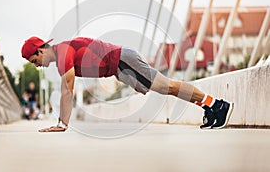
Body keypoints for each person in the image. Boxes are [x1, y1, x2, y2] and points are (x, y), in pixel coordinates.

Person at [21, 37, 234, 132]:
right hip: (120, 66)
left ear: (40, 51)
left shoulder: (63, 52)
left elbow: (67, 90)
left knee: (166, 86)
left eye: (34, 61)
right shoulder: (61, 54)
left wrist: (61, 125)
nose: (37, 66)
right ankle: (211, 106)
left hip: (122, 60)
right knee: (165, 87)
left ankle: (217, 105)